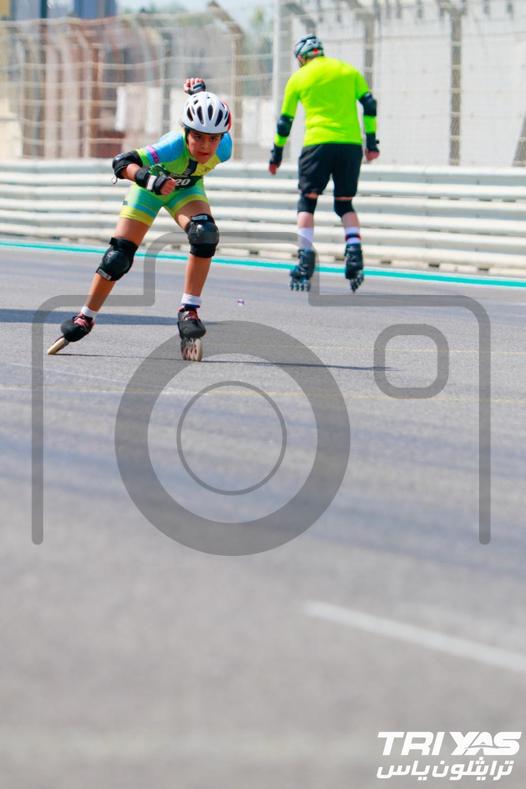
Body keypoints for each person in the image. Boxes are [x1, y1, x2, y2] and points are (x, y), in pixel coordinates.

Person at [48, 78, 232, 361]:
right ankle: (85, 317)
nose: (206, 146)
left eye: (213, 138)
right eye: (197, 137)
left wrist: (199, 93)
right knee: (118, 257)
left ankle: (189, 310)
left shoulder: (225, 147)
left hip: (186, 190)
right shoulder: (171, 146)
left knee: (204, 233)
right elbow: (121, 162)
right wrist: (149, 180)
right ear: (185, 131)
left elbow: (210, 113)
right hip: (149, 189)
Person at [269, 34, 380, 292]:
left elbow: (285, 122)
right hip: (350, 145)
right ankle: (354, 252)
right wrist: (372, 143)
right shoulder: (348, 71)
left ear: (302, 57)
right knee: (344, 203)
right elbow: (370, 104)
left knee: (307, 202)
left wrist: (276, 154)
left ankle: (305, 259)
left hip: (317, 144)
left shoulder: (299, 78)